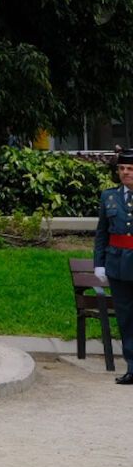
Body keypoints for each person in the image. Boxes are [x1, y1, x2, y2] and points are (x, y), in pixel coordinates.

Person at [92, 151, 133, 387]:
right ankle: (132, 366)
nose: (125, 173)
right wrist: (99, 263)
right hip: (117, 266)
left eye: (130, 169)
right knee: (126, 319)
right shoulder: (109, 197)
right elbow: (102, 234)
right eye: (122, 168)